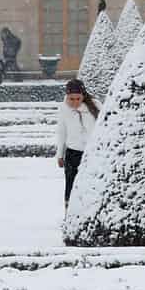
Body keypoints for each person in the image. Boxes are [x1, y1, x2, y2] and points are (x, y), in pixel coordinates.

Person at [56, 78, 101, 206]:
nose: (75, 102)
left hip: (92, 153)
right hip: (73, 153)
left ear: (83, 96)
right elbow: (62, 132)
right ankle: (69, 214)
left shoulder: (95, 105)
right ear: (67, 96)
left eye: (78, 99)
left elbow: (103, 127)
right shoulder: (64, 109)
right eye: (71, 99)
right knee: (71, 185)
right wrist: (60, 155)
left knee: (91, 184)